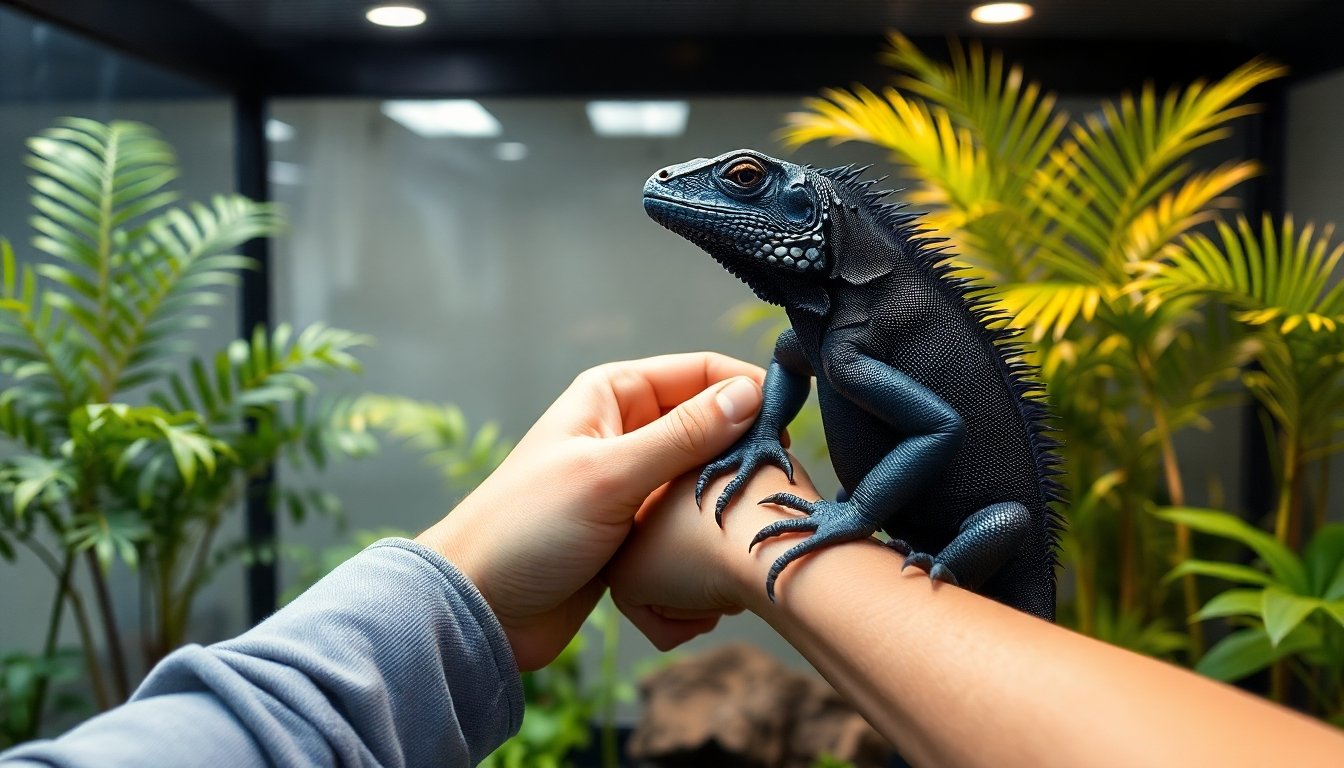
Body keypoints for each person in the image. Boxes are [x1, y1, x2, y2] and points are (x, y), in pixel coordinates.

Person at [2, 352, 1342, 766]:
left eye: (750, 191)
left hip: (973, 542)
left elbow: (932, 426)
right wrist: (753, 497)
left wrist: (801, 541)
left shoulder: (861, 326)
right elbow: (778, 396)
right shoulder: (815, 337)